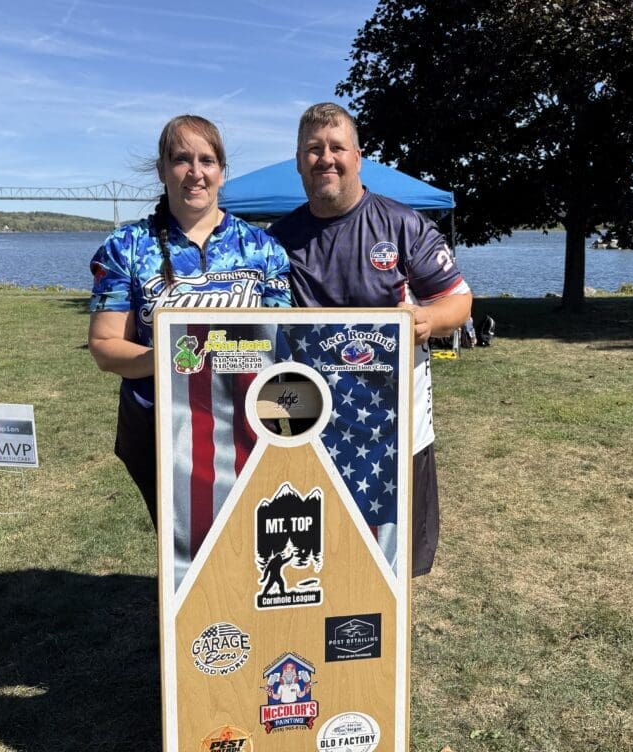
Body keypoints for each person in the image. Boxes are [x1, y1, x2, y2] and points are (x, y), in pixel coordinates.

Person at [269, 102, 472, 576]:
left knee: (395, 562)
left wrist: (426, 319)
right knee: (315, 558)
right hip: (309, 429)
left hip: (395, 431)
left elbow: (460, 303)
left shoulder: (404, 225)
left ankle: (386, 645)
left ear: (358, 157)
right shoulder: (276, 241)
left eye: (337, 147)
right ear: (299, 161)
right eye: (313, 150)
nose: (326, 159)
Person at [88, 115, 291, 528]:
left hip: (250, 418)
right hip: (161, 424)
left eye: (207, 160)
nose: (195, 173)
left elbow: (282, 342)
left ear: (221, 171)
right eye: (182, 159)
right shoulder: (125, 247)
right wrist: (171, 356)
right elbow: (106, 347)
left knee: (250, 534)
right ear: (163, 170)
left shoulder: (264, 248)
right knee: (185, 541)